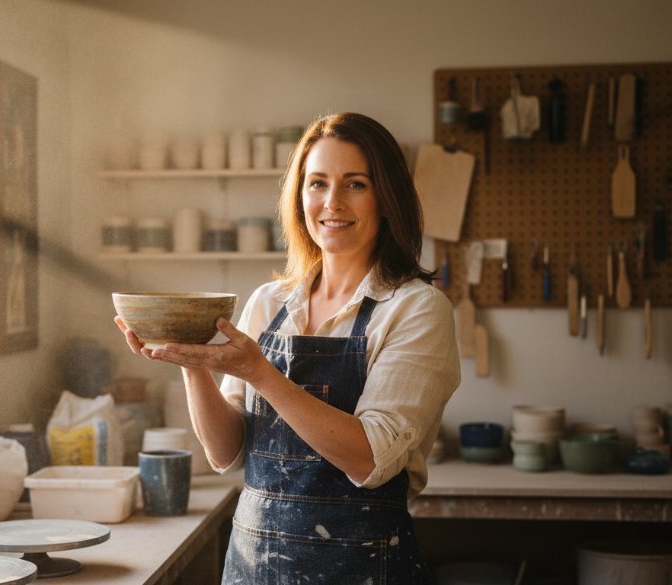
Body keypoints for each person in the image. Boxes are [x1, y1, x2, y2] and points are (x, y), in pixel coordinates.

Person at [115, 112, 460, 584]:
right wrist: (190, 361)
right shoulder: (270, 302)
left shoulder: (415, 309)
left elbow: (371, 459)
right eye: (317, 183)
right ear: (299, 198)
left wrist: (262, 375)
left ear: (387, 197)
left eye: (355, 184)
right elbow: (227, 453)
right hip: (253, 566)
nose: (332, 202)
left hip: (362, 569)